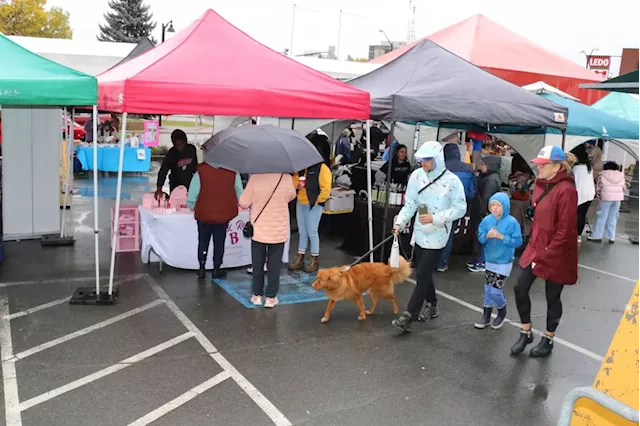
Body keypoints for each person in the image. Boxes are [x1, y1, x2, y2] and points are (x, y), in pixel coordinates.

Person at [391, 142, 467, 332]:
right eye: (421, 159)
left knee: (422, 273)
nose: (423, 163)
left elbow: (460, 208)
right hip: (420, 231)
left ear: (437, 159)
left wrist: (436, 218)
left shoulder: (452, 182)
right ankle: (432, 304)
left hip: (438, 233)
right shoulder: (416, 176)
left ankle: (410, 314)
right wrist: (400, 222)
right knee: (423, 272)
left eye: (427, 160)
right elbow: (411, 203)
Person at [511, 145, 578, 358]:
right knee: (520, 288)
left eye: (543, 165)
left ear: (557, 166)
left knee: (552, 296)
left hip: (557, 253)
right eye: (538, 164)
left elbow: (565, 230)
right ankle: (526, 331)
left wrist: (546, 253)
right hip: (536, 246)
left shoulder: (567, 190)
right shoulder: (540, 184)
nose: (538, 168)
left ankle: (548, 338)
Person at [239, 173, 296, 308]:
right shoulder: (286, 177)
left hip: (259, 230)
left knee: (258, 264)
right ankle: (271, 298)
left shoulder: (255, 178)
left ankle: (257, 295)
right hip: (278, 230)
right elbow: (292, 196)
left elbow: (243, 202)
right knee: (274, 265)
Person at [473, 193, 523, 329]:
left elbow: (518, 241)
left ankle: (502, 310)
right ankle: (486, 317)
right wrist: (486, 236)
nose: (494, 209)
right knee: (488, 289)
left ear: (505, 207)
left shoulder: (512, 222)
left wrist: (502, 237)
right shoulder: (487, 220)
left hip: (504, 262)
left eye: (498, 206)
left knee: (495, 290)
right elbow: (480, 237)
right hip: (489, 260)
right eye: (492, 205)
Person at [187, 162, 244, 280]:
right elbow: (240, 193)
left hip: (204, 214)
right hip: (222, 215)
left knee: (203, 241)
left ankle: (201, 268)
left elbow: (192, 195)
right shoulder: (233, 172)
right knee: (219, 242)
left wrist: (194, 206)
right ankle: (216, 269)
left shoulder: (201, 172)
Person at [438, 143, 477, 272]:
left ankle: (430, 261)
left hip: (439, 206)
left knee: (434, 232)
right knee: (449, 234)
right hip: (457, 207)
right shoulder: (468, 169)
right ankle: (442, 263)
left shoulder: (439, 167)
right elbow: (472, 192)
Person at [289, 160, 332, 272]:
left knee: (312, 231)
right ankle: (300, 257)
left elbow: (326, 189)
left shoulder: (322, 168)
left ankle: (314, 260)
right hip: (301, 202)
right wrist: (297, 184)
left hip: (314, 204)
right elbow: (293, 180)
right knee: (302, 231)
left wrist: (318, 201)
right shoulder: (301, 167)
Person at [469, 155, 502, 272]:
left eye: (483, 164)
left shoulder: (491, 179)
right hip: (488, 213)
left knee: (484, 238)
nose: (481, 166)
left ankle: (482, 261)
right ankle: (480, 260)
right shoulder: (489, 177)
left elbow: (486, 198)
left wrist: (483, 214)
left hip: (486, 214)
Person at [588, 161, 626, 244]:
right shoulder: (621, 175)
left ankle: (597, 236)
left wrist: (598, 194)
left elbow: (599, 186)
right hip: (618, 199)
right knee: (613, 217)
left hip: (606, 197)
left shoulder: (602, 175)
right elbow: (624, 187)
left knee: (602, 216)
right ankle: (611, 237)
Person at [155, 129, 198, 199]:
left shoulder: (192, 149)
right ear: (173, 144)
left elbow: (195, 166)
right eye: (177, 145)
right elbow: (163, 171)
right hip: (175, 185)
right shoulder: (171, 154)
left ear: (186, 141)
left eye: (182, 144)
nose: (180, 147)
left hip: (191, 185)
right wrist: (159, 187)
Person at [571, 144, 595, 241]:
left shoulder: (575, 168)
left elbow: (573, 181)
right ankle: (579, 235)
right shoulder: (589, 167)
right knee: (582, 215)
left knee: (576, 215)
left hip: (579, 194)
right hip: (589, 193)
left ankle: (574, 234)